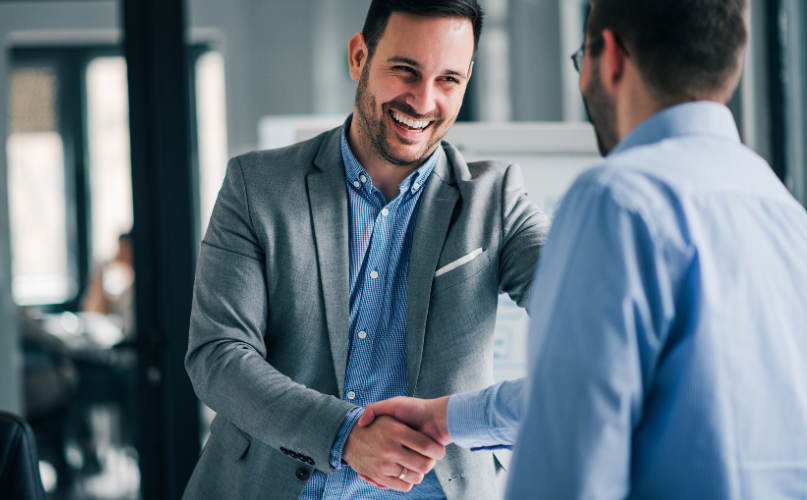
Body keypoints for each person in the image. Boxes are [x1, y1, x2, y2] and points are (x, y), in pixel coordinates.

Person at [359, 0, 807, 498]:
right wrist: (447, 418)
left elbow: (570, 452)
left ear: (609, 57)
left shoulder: (618, 200)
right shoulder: (786, 215)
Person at [182, 0, 551, 499]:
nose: (423, 101)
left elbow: (587, 312)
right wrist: (345, 435)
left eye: (448, 80)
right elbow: (218, 355)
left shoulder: (497, 199)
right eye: (405, 71)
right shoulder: (258, 187)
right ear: (359, 57)